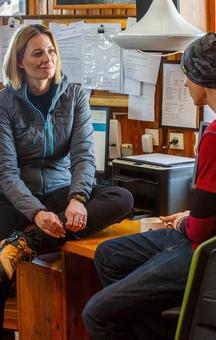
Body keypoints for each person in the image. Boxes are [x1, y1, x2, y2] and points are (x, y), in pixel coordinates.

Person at [82, 32, 216, 339]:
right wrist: (190, 217)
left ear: (201, 78)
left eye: (188, 75)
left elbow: (198, 232)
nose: (186, 84)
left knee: (96, 314)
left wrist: (186, 222)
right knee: (108, 255)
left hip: (206, 250)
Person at [0, 24, 133, 283]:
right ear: (19, 61)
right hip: (15, 196)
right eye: (37, 53)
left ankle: (24, 244)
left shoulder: (74, 96)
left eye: (51, 51)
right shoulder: (4, 103)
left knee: (122, 198)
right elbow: (6, 171)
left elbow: (83, 155)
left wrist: (78, 198)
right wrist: (37, 213)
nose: (47, 59)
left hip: (60, 191)